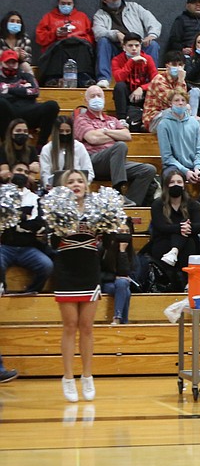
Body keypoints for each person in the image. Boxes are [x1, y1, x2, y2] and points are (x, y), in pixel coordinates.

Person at [52, 170, 110, 403]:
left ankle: (87, 375)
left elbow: (108, 238)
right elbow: (52, 241)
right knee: (70, 325)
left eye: (80, 181)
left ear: (87, 185)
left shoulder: (98, 209)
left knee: (86, 327)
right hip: (66, 270)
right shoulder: (57, 208)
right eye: (71, 181)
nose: (76, 184)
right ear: (64, 186)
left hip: (89, 270)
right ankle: (67, 377)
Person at [75, 85, 156, 206]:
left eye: (99, 95)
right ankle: (118, 191)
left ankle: (130, 204)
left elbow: (127, 135)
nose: (96, 98)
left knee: (148, 170)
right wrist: (115, 134)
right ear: (86, 100)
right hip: (94, 161)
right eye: (93, 96)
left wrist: (105, 131)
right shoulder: (81, 119)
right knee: (120, 146)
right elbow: (92, 138)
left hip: (116, 162)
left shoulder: (112, 119)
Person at [92, 0, 161, 87]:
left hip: (136, 46)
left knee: (153, 45)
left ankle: (150, 80)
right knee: (103, 42)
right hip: (116, 49)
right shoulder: (100, 14)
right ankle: (104, 78)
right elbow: (98, 32)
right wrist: (115, 34)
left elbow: (153, 22)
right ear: (105, 0)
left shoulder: (134, 7)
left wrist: (152, 34)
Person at [0, 161, 51, 295]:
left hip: (28, 248)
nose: (22, 174)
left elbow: (38, 224)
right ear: (10, 174)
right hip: (5, 247)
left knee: (46, 266)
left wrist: (14, 219)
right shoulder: (1, 195)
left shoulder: (34, 198)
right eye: (19, 170)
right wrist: (25, 217)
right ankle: (2, 289)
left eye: (25, 172)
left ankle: (31, 291)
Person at [150, 168, 200, 286]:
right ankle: (176, 281)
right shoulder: (158, 204)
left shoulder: (192, 204)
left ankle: (187, 279)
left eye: (179, 182)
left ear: (184, 185)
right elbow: (160, 226)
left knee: (189, 241)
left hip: (188, 241)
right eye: (172, 182)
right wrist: (181, 228)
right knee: (182, 235)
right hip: (163, 240)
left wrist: (184, 228)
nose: (176, 185)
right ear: (166, 186)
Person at [35, 0, 95, 85]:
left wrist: (78, 37)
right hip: (58, 46)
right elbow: (39, 38)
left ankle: (83, 77)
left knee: (83, 48)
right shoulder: (49, 17)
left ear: (73, 4)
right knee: (58, 46)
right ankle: (53, 78)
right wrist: (54, 33)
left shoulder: (82, 17)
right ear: (58, 3)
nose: (65, 6)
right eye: (63, 3)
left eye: (68, 4)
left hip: (79, 46)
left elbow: (92, 37)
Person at [0, 48, 59, 147]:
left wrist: (9, 90)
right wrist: (24, 91)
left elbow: (35, 91)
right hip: (10, 112)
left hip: (30, 111)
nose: (10, 66)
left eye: (13, 62)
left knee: (52, 105)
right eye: (7, 62)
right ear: (2, 63)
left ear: (18, 64)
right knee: (1, 102)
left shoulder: (26, 76)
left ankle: (41, 144)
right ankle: (6, 144)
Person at [155, 91, 200, 184]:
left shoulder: (194, 123)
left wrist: (197, 168)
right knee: (173, 179)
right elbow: (167, 157)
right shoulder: (163, 124)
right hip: (173, 166)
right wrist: (186, 171)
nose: (180, 103)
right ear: (170, 103)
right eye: (176, 100)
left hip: (194, 166)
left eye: (183, 100)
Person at [110, 33, 158, 125]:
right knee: (120, 86)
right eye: (130, 45)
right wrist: (131, 62)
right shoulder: (117, 59)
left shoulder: (148, 58)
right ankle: (122, 120)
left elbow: (156, 80)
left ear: (140, 46)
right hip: (126, 94)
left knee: (153, 89)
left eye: (137, 45)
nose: (134, 48)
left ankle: (150, 118)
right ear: (124, 47)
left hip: (142, 95)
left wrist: (142, 88)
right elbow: (119, 78)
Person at [99, 218, 135, 325]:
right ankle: (123, 321)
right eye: (121, 232)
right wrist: (114, 277)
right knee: (125, 290)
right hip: (107, 283)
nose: (124, 235)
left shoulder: (130, 251)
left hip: (122, 285)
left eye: (127, 232)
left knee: (123, 284)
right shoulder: (103, 249)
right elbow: (98, 273)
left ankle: (117, 318)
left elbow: (129, 273)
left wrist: (122, 252)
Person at [143, 51, 190, 133]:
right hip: (154, 119)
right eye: (174, 64)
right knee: (179, 110)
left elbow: (183, 102)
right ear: (167, 65)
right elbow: (174, 101)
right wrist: (181, 80)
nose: (178, 68)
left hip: (172, 115)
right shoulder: (159, 79)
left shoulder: (180, 80)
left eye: (180, 65)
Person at [39, 115, 94, 186]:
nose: (64, 134)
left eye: (68, 131)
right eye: (61, 131)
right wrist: (48, 185)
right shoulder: (47, 149)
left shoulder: (79, 147)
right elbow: (45, 174)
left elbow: (89, 172)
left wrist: (81, 184)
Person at [1, 10, 35, 76]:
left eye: (18, 22)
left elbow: (29, 59)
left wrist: (22, 57)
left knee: (26, 66)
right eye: (12, 21)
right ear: (5, 23)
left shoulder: (24, 38)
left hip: (17, 66)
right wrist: (12, 54)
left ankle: (32, 85)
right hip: (2, 66)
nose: (15, 24)